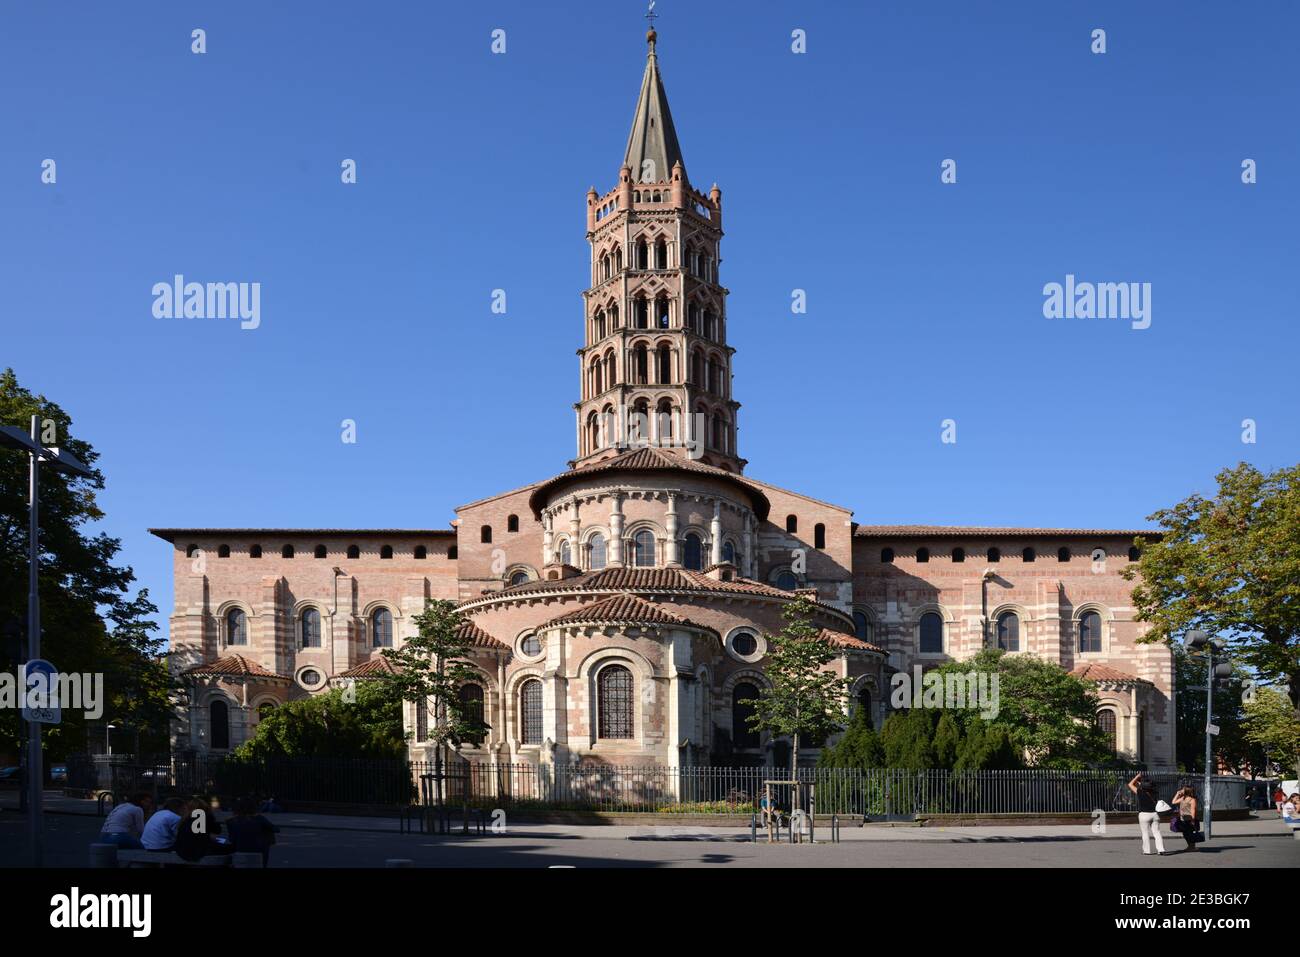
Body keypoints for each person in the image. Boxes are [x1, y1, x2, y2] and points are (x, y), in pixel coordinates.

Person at [174, 798, 233, 862]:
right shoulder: (206, 817)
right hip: (198, 852)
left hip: (182, 852)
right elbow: (217, 830)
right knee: (230, 847)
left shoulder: (184, 820)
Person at [226, 796, 278, 867]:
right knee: (266, 836)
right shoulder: (259, 818)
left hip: (240, 850)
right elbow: (276, 829)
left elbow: (231, 839)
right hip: (258, 851)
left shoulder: (231, 821)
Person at [1128, 772, 1166, 856]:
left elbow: (1130, 784)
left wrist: (1137, 777)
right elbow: (1149, 786)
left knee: (1145, 833)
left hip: (1144, 814)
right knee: (1157, 832)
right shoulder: (1155, 793)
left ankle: (1147, 851)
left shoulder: (1140, 792)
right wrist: (1141, 783)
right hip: (1155, 814)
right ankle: (1161, 849)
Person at [1172, 784, 1200, 851]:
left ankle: (1192, 847)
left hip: (1189, 819)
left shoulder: (1192, 800)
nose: (1181, 790)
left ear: (1186, 791)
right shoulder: (1182, 798)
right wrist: (1177, 794)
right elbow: (1173, 802)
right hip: (1183, 819)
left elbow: (1193, 810)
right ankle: (1190, 846)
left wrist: (1193, 820)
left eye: (1183, 789)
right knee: (1185, 834)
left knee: (1190, 833)